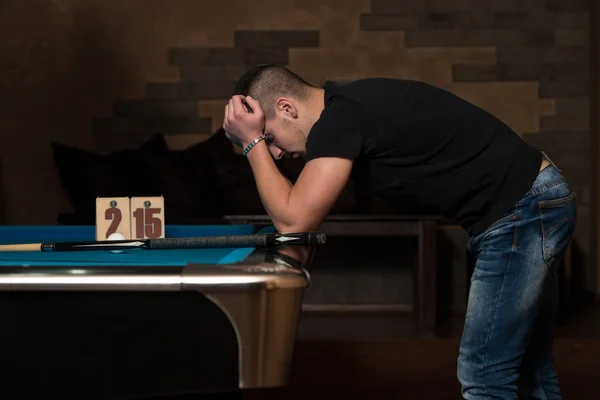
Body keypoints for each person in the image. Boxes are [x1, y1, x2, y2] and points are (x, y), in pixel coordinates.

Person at [222, 64, 577, 400]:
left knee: (483, 373)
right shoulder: (344, 114)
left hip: (523, 210)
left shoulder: (340, 120)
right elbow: (300, 221)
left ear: (286, 107)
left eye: (269, 137)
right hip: (532, 203)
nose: (275, 153)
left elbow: (293, 220)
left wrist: (250, 143)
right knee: (529, 369)